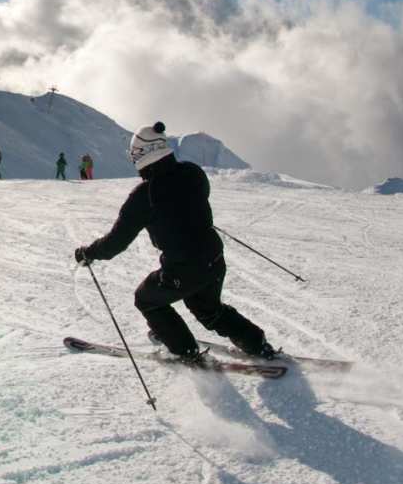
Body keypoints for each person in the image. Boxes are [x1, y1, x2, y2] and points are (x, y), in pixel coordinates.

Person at [73, 122, 278, 364]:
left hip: (183, 267)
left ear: (141, 155)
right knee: (208, 309)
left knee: (147, 299)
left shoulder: (144, 195)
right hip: (213, 258)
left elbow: (115, 243)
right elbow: (195, 199)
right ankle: (256, 343)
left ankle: (185, 351)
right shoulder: (193, 172)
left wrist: (89, 252)